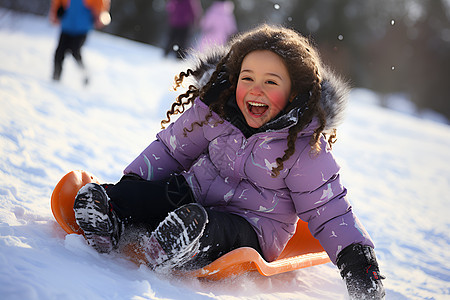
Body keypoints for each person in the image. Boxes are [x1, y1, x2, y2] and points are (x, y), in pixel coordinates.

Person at [73, 24, 385, 299]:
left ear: (295, 94)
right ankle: (111, 212)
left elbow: (329, 210)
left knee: (215, 228)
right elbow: (170, 150)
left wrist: (360, 265)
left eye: (271, 82)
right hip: (195, 195)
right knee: (158, 194)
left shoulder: (303, 146)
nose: (255, 90)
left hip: (252, 225)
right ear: (234, 79)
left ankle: (183, 244)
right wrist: (134, 187)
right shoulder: (214, 111)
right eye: (247, 78)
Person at [49, 0, 110, 84]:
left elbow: (101, 6)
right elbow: (58, 2)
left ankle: (84, 74)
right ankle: (56, 78)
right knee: (59, 52)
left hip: (82, 27)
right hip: (67, 25)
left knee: (75, 51)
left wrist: (99, 16)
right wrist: (55, 13)